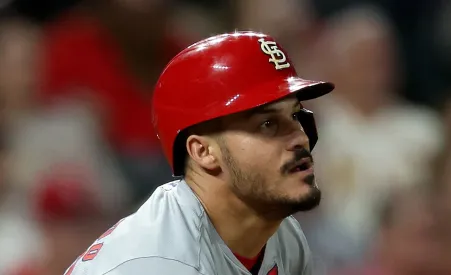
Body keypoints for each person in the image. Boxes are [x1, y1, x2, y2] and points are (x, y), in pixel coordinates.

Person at [63, 31, 334, 275]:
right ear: (203, 151)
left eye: (296, 115)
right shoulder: (160, 264)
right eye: (267, 124)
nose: (299, 137)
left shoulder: (283, 237)